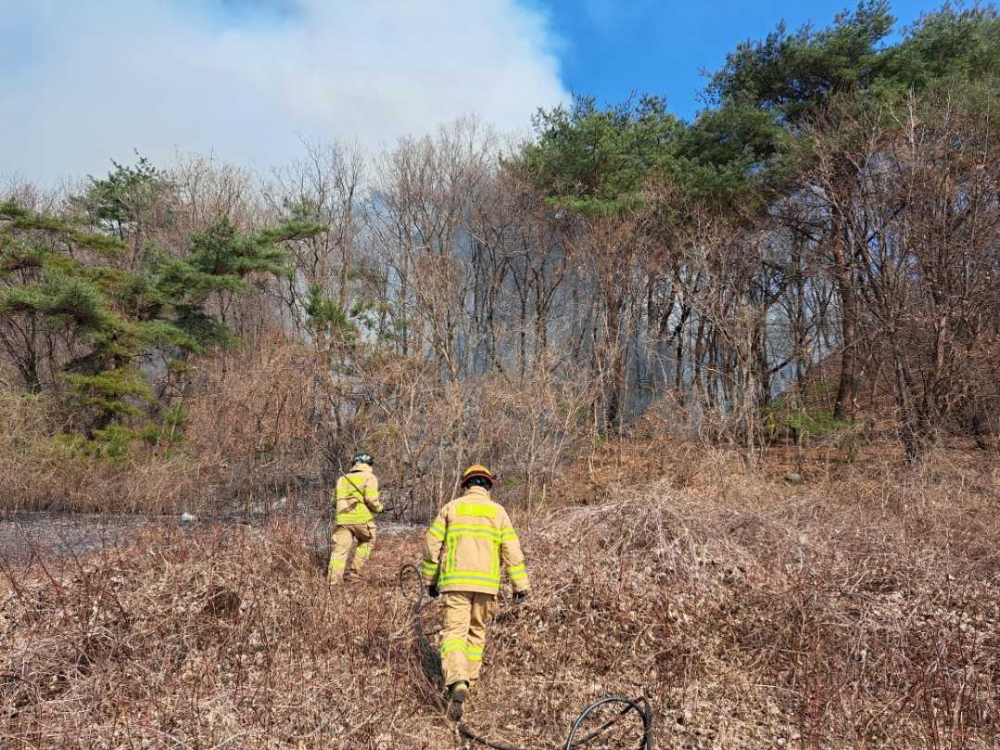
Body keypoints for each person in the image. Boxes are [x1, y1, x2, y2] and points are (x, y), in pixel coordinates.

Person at [420, 464, 530, 720]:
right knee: (476, 634)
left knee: (454, 634)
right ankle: (469, 681)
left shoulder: (451, 508)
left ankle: (457, 681)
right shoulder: (498, 512)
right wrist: (520, 585)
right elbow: (512, 550)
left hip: (456, 584)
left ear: (466, 485)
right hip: (486, 587)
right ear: (488, 485)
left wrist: (431, 580)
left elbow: (431, 545)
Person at [328, 453, 382, 584]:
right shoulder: (370, 477)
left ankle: (333, 582)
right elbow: (371, 499)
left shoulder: (342, 479)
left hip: (342, 520)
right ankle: (354, 573)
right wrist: (379, 508)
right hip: (361, 519)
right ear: (369, 464)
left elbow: (333, 502)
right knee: (368, 540)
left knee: (339, 551)